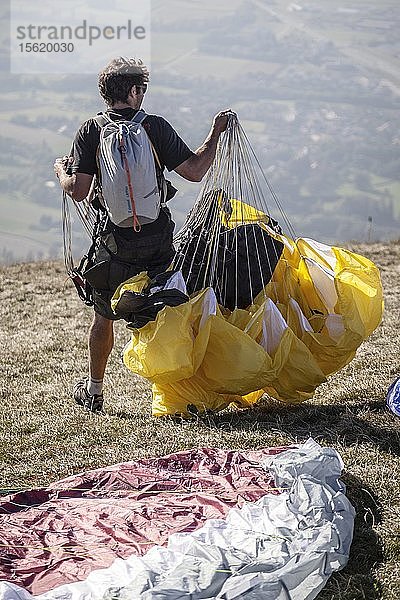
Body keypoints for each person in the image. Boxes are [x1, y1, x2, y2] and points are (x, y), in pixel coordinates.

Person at [54, 56, 231, 413]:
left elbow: (79, 190)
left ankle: (95, 391)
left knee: (103, 316)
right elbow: (195, 171)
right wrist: (215, 133)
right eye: (143, 89)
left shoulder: (91, 130)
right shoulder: (155, 128)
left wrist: (61, 171)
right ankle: (185, 390)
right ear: (134, 92)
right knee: (171, 310)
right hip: (158, 241)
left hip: (115, 245)